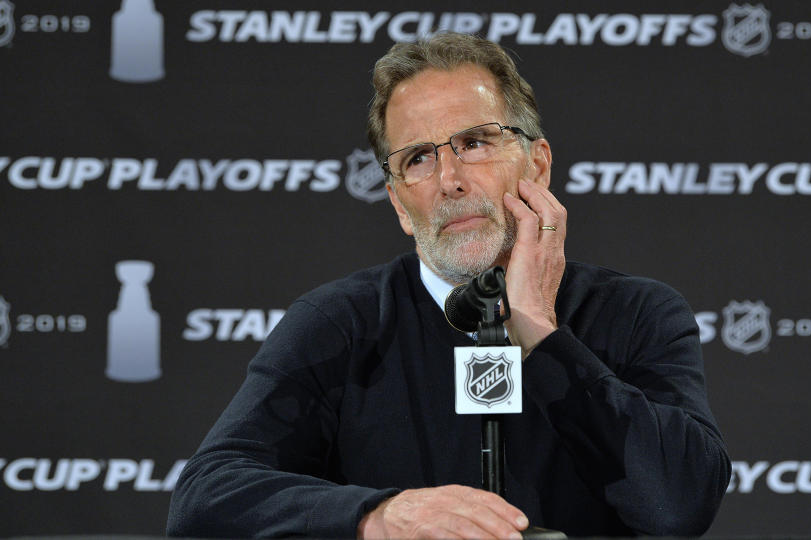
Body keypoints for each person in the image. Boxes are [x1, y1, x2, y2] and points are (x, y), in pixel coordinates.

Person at [167, 32, 730, 539]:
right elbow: (204, 500)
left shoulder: (634, 312)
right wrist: (379, 516)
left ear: (537, 164)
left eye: (476, 142)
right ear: (399, 205)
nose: (450, 181)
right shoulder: (340, 322)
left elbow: (677, 505)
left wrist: (536, 328)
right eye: (417, 159)